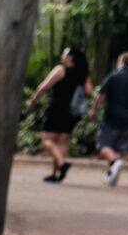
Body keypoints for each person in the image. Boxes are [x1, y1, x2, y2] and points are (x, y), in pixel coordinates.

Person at [25, 45, 91, 183]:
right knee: (62, 142)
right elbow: (89, 92)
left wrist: (32, 101)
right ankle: (55, 174)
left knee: (47, 141)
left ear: (70, 57)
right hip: (72, 112)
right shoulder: (83, 74)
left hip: (57, 109)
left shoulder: (61, 70)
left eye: (65, 54)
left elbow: (44, 86)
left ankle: (62, 164)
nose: (62, 56)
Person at [94, 51, 128, 187]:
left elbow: (101, 96)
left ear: (121, 62)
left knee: (103, 146)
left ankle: (115, 163)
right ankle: (110, 175)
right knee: (117, 149)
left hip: (111, 119)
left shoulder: (113, 77)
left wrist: (94, 110)